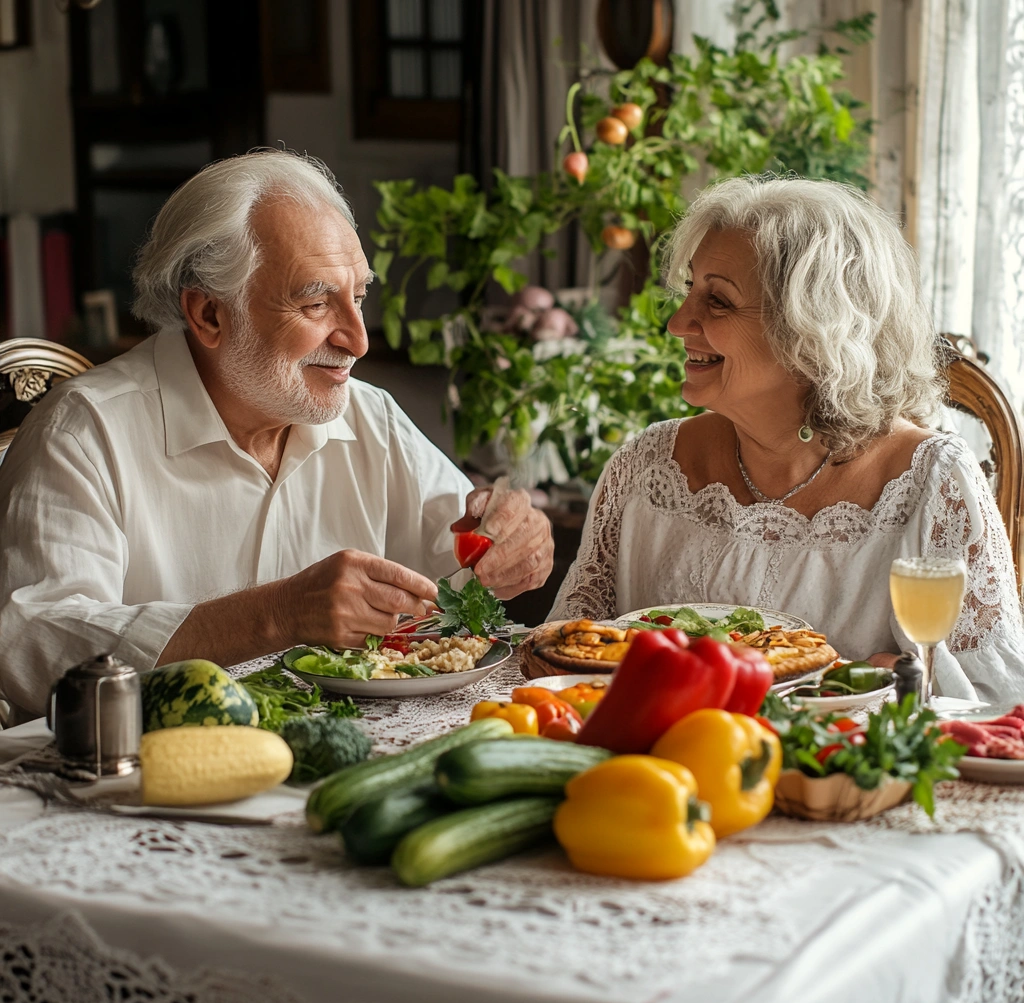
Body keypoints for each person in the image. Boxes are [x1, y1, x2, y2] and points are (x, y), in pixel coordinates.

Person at [0, 150, 553, 719]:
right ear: (209, 315)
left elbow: (463, 563)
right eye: (316, 303)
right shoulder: (85, 432)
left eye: (358, 296)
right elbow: (32, 647)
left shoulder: (371, 418)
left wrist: (514, 545)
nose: (358, 340)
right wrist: (277, 615)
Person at [551, 174, 1024, 703]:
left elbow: (994, 702)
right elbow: (560, 661)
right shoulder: (645, 468)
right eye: (690, 290)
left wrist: (895, 685)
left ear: (812, 334)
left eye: (719, 302)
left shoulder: (930, 483)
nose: (679, 322)